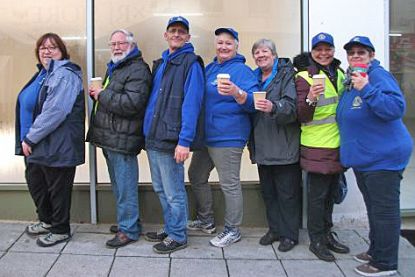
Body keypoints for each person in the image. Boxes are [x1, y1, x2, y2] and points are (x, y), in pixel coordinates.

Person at [337, 36, 413, 276]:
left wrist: (367, 89)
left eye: (362, 52)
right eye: (352, 53)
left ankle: (385, 263)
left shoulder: (377, 77)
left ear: (371, 56)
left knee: (384, 211)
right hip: (366, 158)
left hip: (384, 157)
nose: (356, 56)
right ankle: (376, 249)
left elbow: (395, 109)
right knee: (373, 207)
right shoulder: (351, 80)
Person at [187, 27, 258, 248]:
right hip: (207, 136)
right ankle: (206, 220)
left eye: (228, 43)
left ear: (236, 46)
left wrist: (237, 93)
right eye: (220, 43)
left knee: (229, 184)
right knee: (196, 174)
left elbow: (254, 102)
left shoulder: (243, 71)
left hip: (229, 136)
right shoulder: (209, 69)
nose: (223, 46)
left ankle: (232, 229)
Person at [15, 33, 85, 247]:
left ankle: (60, 229)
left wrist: (29, 138)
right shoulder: (44, 74)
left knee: (57, 189)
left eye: (53, 47)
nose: (46, 51)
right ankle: (46, 221)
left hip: (56, 144)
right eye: (42, 48)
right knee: (38, 184)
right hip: (37, 143)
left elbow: (56, 111)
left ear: (62, 52)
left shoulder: (64, 74)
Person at [143, 16, 205, 254]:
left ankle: (178, 235)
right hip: (154, 138)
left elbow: (192, 104)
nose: (177, 34)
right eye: (173, 31)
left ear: (188, 37)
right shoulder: (162, 63)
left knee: (174, 191)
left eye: (182, 32)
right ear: (165, 35)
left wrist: (184, 141)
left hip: (172, 140)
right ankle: (171, 228)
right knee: (160, 188)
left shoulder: (191, 63)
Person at [86, 29, 151, 248]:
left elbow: (132, 104)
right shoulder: (116, 67)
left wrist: (102, 95)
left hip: (122, 140)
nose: (116, 47)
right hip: (111, 137)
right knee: (118, 186)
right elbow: (111, 99)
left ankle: (129, 230)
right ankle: (128, 221)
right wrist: (98, 94)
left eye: (121, 43)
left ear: (132, 45)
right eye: (112, 44)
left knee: (125, 187)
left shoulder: (138, 69)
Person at [293, 32, 350, 261]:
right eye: (319, 49)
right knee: (317, 197)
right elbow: (301, 116)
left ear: (333, 51)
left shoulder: (340, 73)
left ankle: (327, 234)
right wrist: (311, 99)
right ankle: (316, 240)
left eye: (328, 49)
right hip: (316, 145)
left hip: (338, 144)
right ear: (312, 52)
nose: (323, 53)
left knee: (330, 195)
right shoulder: (304, 77)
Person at [248, 39, 301, 252]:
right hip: (262, 145)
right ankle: (275, 229)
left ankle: (290, 235)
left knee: (287, 194)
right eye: (257, 53)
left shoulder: (287, 74)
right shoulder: (253, 77)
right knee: (268, 192)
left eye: (265, 51)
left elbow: (291, 107)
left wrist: (273, 106)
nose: (260, 55)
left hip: (284, 145)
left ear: (274, 54)